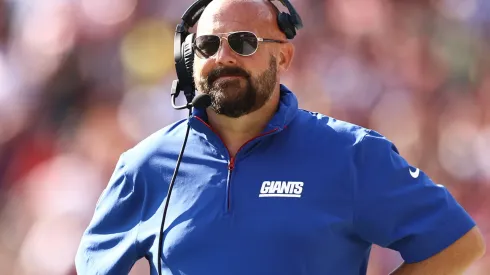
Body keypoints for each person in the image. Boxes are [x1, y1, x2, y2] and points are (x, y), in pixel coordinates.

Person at [75, 0, 486, 274]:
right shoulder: (146, 164)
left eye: (243, 42)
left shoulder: (351, 154)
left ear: (284, 56)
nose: (223, 57)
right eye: (207, 45)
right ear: (188, 59)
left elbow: (458, 243)